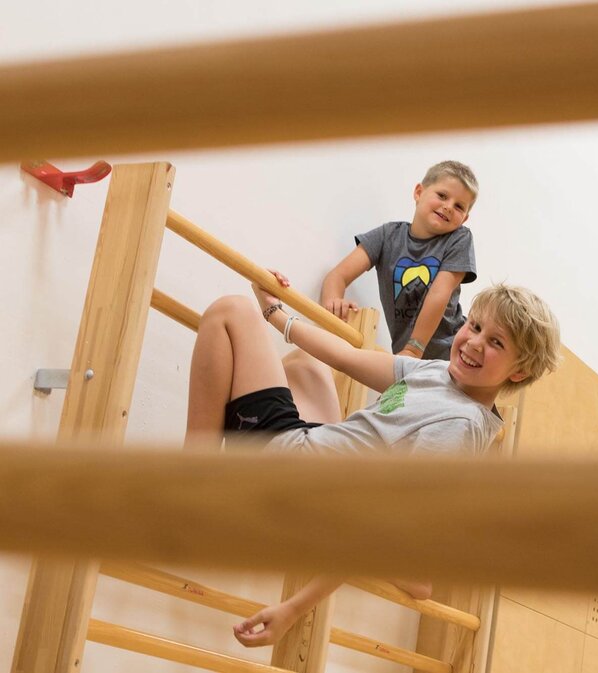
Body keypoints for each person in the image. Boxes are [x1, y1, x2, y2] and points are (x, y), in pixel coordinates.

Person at [183, 271, 561, 647]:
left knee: (229, 311)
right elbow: (347, 358)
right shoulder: (441, 375)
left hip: (288, 474)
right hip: (316, 456)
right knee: (307, 365)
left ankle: (189, 485)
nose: (474, 343)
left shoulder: (458, 426)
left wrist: (293, 610)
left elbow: (378, 529)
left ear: (519, 370)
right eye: (475, 326)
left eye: (495, 342)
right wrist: (274, 310)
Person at [319, 160, 479, 360]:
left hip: (451, 353)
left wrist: (414, 348)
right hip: (407, 356)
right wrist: (332, 306)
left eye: (459, 206)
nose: (448, 207)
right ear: (419, 192)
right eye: (442, 195)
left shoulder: (459, 238)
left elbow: (440, 292)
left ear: (464, 219)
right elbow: (337, 276)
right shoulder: (387, 236)